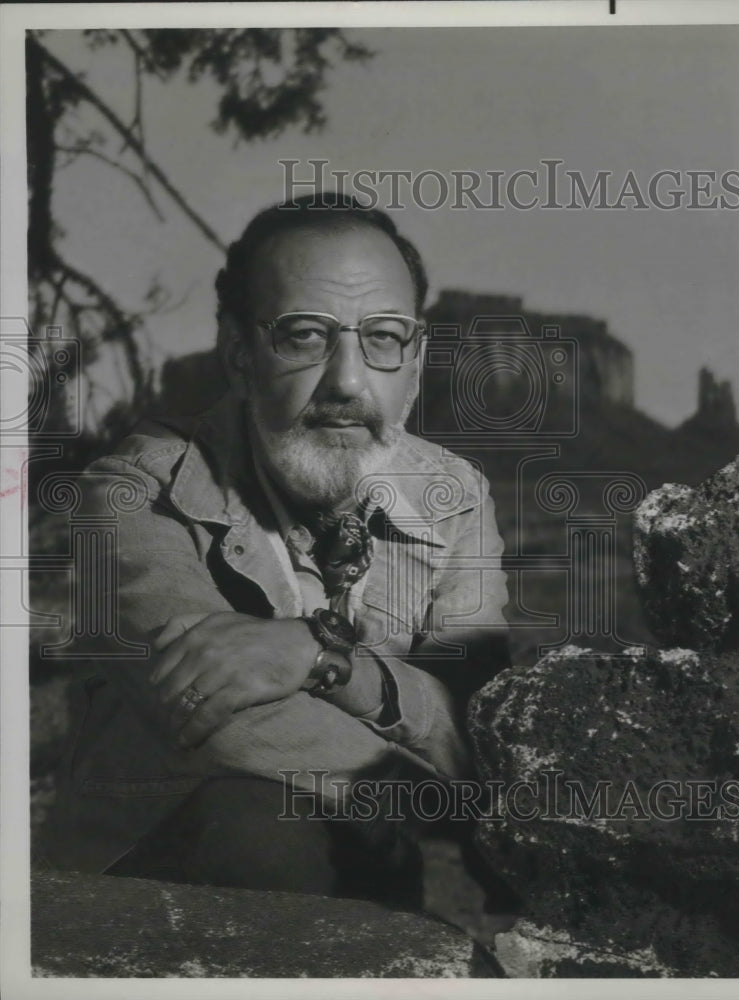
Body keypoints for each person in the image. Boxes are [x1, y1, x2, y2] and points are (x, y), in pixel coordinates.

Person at [46, 194, 511, 909]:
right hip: (145, 895)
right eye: (303, 336)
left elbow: (479, 728)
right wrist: (461, 826)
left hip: (380, 870)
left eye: (383, 337)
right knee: (265, 826)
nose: (348, 383)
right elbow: (218, 717)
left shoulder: (456, 496)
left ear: (414, 364)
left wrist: (324, 660)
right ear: (238, 356)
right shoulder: (131, 495)